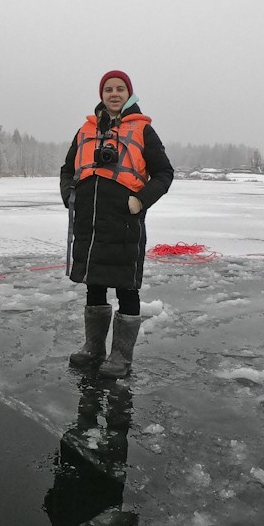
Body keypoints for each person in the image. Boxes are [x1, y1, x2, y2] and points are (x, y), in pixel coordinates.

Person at [60, 70, 174, 378]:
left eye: (119, 89)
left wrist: (140, 201)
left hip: (124, 223)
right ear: (101, 95)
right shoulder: (85, 129)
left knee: (126, 288)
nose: (114, 93)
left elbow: (164, 173)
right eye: (108, 89)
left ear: (129, 93)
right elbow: (67, 168)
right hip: (91, 222)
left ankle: (121, 357)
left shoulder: (142, 131)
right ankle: (93, 348)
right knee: (94, 285)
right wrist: (70, 196)